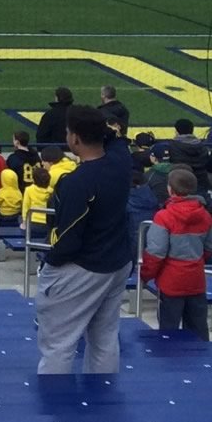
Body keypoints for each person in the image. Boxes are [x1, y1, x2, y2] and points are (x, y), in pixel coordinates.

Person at [35, 106, 131, 375]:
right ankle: (102, 400)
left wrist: (50, 263)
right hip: (117, 260)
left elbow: (67, 239)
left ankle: (55, 407)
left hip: (83, 267)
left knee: (59, 343)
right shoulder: (120, 160)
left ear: (74, 138)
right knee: (105, 337)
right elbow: (118, 140)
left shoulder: (77, 182)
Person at [139, 167, 212, 339]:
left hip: (171, 280)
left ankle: (170, 363)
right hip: (196, 278)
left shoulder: (164, 217)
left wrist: (145, 274)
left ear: (170, 190)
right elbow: (211, 246)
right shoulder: (205, 215)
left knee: (168, 329)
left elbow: (156, 252)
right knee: (198, 328)